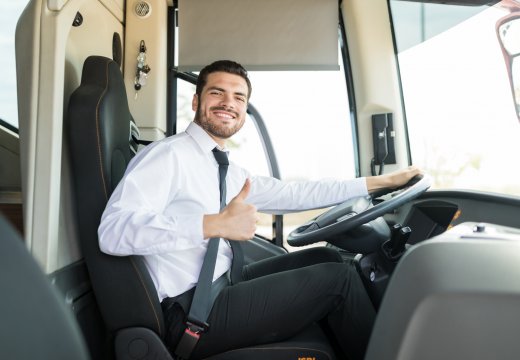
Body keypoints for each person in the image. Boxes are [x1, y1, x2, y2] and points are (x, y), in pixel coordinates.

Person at [98, 60, 421, 359]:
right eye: (217, 93)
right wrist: (212, 225)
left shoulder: (223, 167)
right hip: (191, 311)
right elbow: (113, 232)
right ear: (196, 102)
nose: (229, 103)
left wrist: (381, 182)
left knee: (328, 258)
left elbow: (295, 193)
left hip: (222, 283)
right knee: (339, 281)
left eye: (239, 98)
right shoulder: (169, 156)